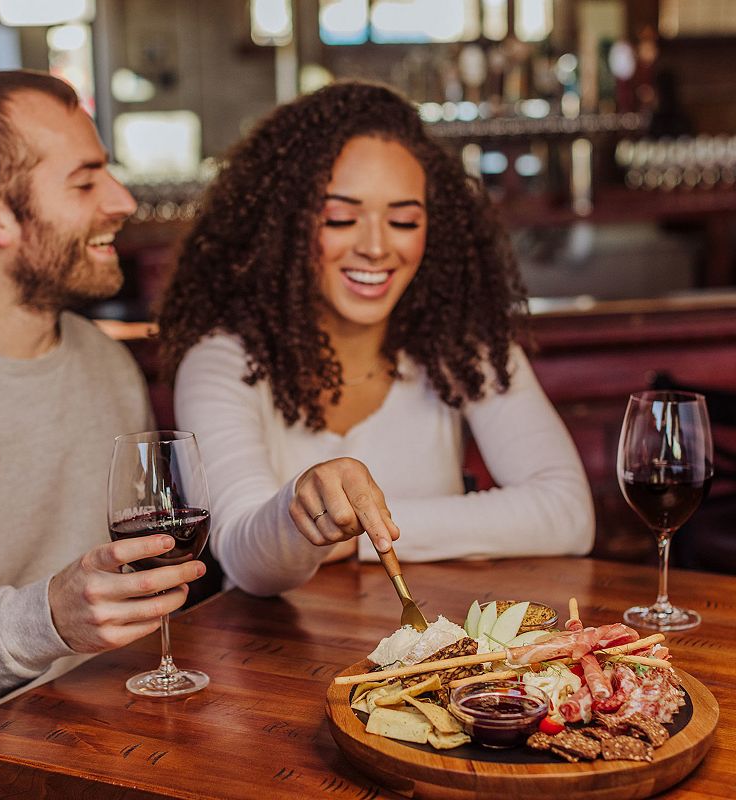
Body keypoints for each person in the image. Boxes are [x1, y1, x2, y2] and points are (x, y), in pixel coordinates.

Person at [158, 80, 594, 598]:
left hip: (435, 655)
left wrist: (361, 534)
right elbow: (248, 565)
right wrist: (302, 508)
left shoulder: (461, 344)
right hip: (277, 663)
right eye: (341, 217)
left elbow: (569, 514)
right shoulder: (221, 361)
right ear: (284, 225)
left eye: (404, 220)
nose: (375, 246)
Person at [0, 70, 205, 722]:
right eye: (85, 182)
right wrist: (45, 619)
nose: (121, 200)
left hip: (119, 725)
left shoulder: (106, 364)